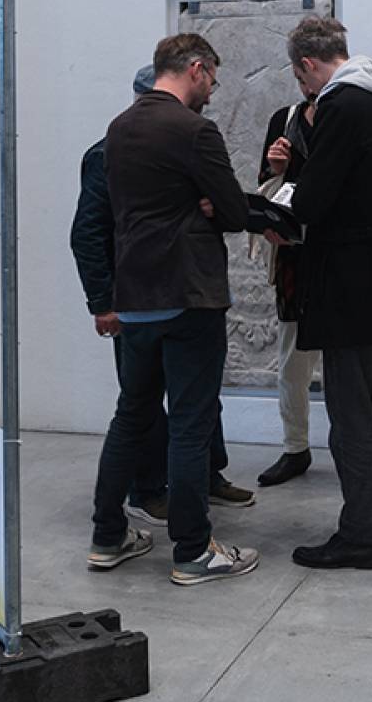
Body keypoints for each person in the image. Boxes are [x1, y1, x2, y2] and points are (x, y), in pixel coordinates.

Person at [87, 34, 277, 585]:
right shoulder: (195, 130)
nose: (213, 90)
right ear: (196, 68)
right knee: (190, 425)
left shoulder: (118, 128)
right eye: (212, 78)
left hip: (134, 298)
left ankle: (108, 537)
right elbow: (236, 212)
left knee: (131, 417)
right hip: (188, 295)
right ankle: (193, 552)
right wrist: (211, 207)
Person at [69, 65, 248, 529]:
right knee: (144, 410)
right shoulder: (107, 153)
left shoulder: (180, 143)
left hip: (179, 292)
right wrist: (101, 301)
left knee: (191, 401)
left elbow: (214, 207)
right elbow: (88, 232)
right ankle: (150, 494)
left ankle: (202, 478)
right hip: (140, 299)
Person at [284, 16, 372, 571]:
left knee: (351, 416)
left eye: (301, 80)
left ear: (307, 64)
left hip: (352, 286)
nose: (304, 91)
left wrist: (281, 206)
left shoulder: (341, 107)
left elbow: (313, 201)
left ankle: (360, 535)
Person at [253, 85, 320, 486]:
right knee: (293, 359)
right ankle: (295, 447)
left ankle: (354, 447)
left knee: (347, 363)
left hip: (341, 257)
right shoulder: (286, 119)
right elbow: (268, 188)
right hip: (295, 258)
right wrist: (275, 168)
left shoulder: (349, 116)